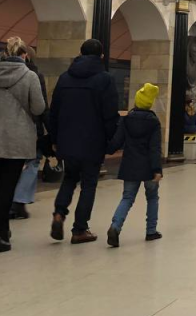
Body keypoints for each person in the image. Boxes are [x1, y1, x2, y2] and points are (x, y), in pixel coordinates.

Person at [48, 38, 120, 245]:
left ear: (80, 53)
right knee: (89, 184)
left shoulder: (64, 78)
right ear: (102, 56)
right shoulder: (105, 80)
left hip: (67, 140)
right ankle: (79, 229)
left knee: (69, 178)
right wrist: (110, 140)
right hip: (92, 141)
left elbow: (55, 112)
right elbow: (109, 115)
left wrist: (55, 139)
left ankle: (59, 214)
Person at [0, 37, 46, 254]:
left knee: (0, 184)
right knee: (9, 184)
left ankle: (3, 230)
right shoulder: (30, 76)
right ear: (24, 54)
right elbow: (38, 108)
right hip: (18, 138)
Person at [106, 83, 163, 246]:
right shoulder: (153, 122)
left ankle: (115, 226)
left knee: (127, 198)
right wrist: (157, 169)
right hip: (148, 166)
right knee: (152, 197)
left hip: (130, 164)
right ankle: (151, 231)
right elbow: (154, 148)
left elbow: (117, 141)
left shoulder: (127, 119)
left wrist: (106, 149)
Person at [11, 49, 48, 220]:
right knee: (33, 162)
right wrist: (50, 130)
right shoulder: (34, 76)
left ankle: (10, 199)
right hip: (30, 126)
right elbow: (41, 106)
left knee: (10, 165)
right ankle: (20, 199)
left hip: (6, 128)